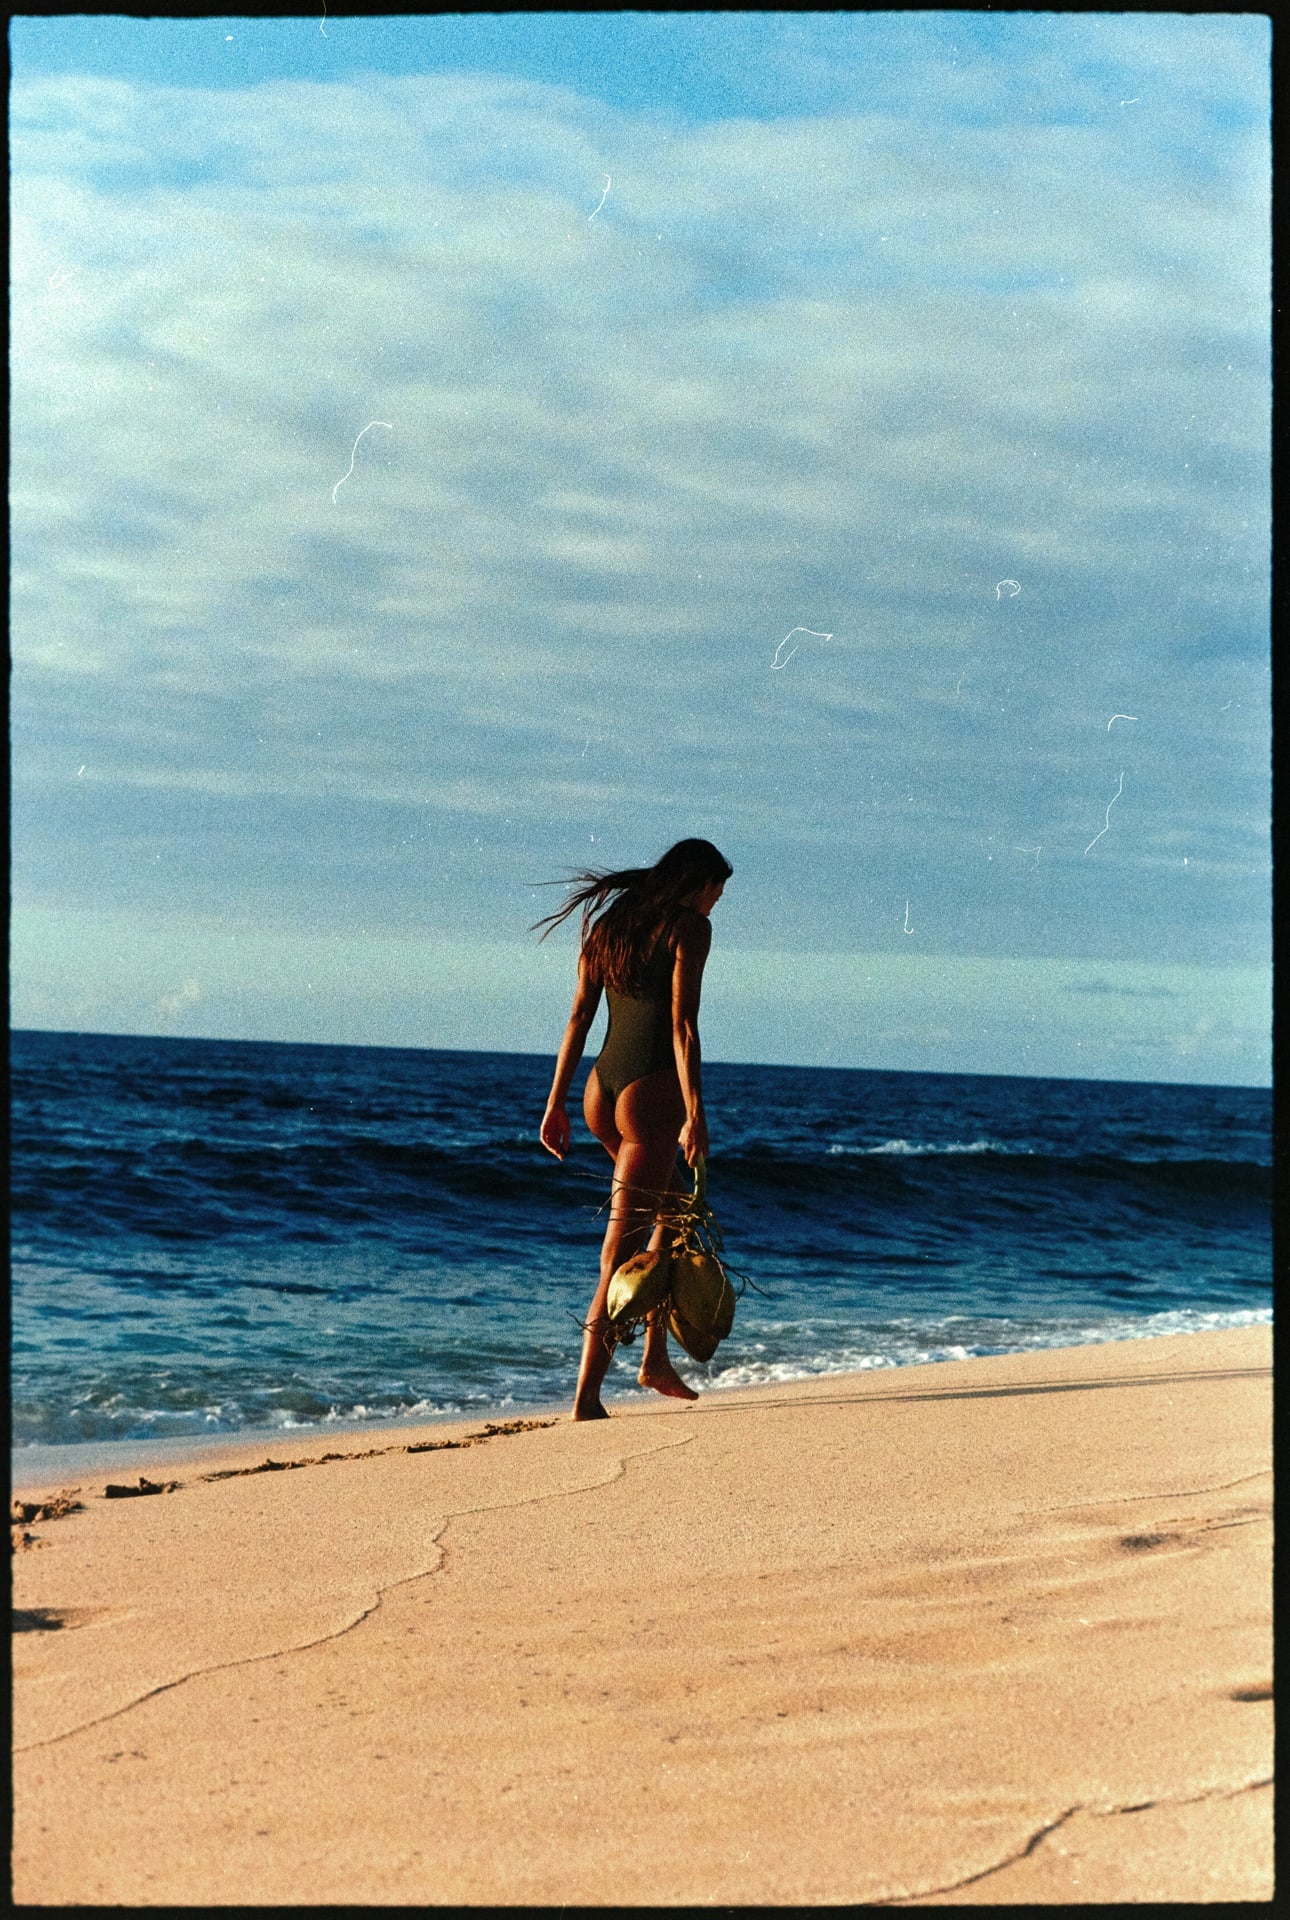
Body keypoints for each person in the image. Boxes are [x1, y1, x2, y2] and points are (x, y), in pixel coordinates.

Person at [536, 838, 733, 1420]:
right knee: (617, 1251)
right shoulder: (689, 929)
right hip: (650, 1099)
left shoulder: (609, 929)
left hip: (601, 1090)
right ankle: (586, 1397)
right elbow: (684, 1027)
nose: (717, 902)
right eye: (717, 890)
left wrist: (557, 1103)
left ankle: (654, 1360)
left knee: (674, 1218)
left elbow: (578, 1016)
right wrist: (695, 1113)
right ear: (698, 884)